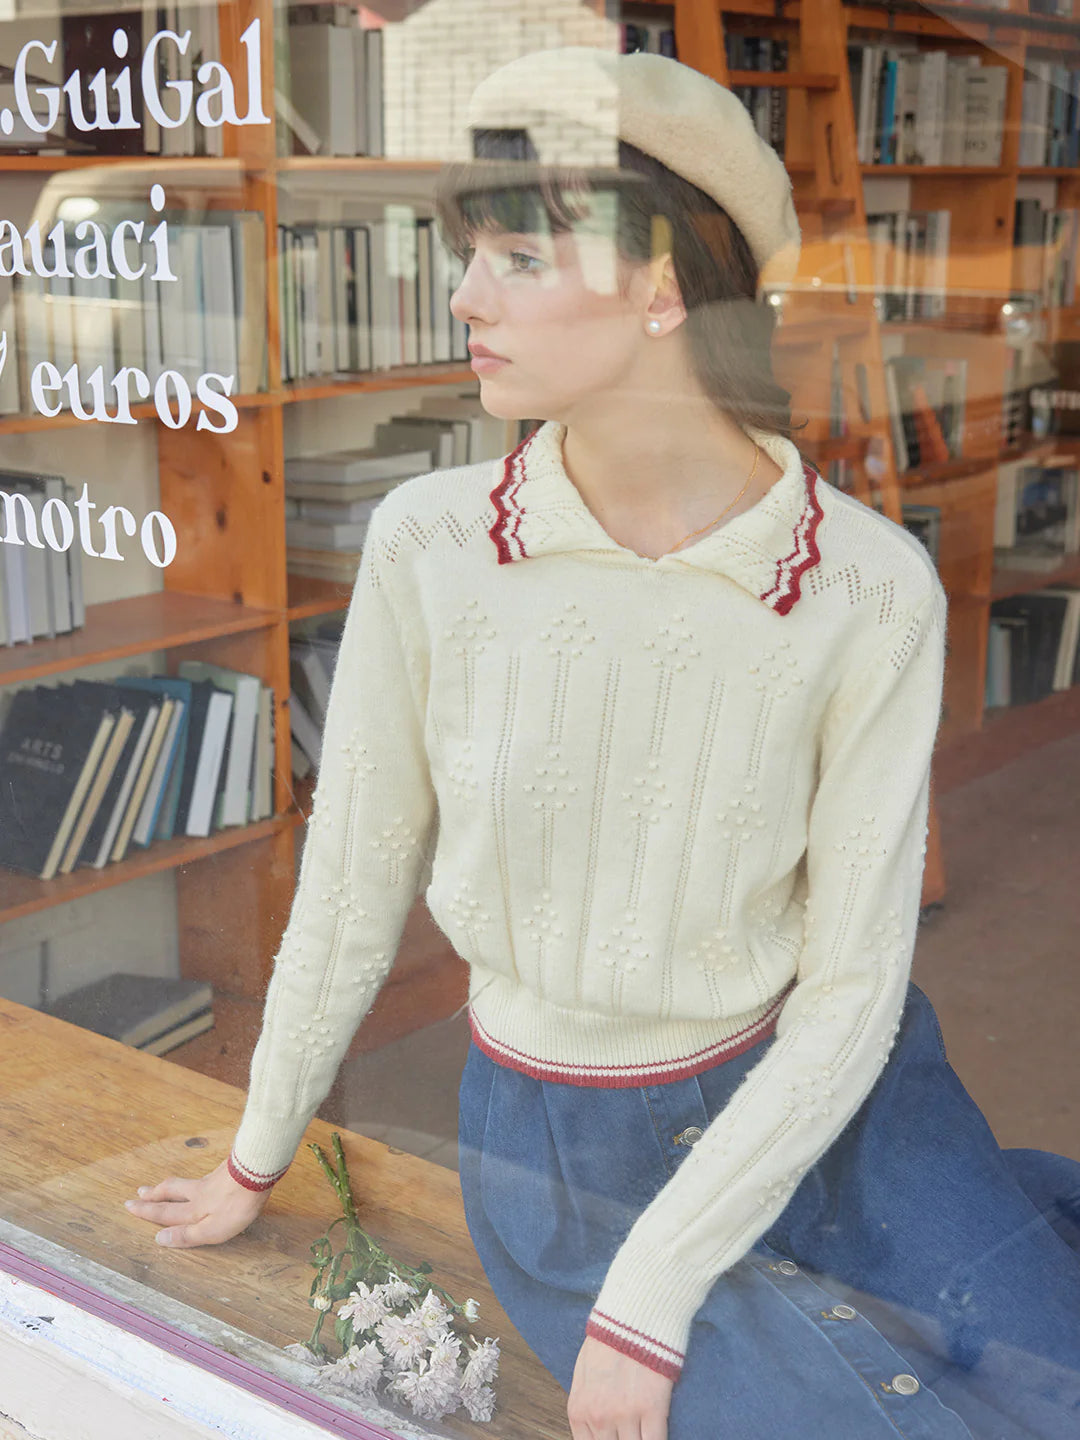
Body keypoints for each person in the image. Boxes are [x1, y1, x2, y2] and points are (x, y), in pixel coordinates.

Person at [124, 47, 1080, 1440]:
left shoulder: (869, 587)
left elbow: (854, 985)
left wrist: (657, 1294)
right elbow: (349, 884)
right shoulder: (431, 546)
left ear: (662, 290)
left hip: (838, 1106)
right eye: (469, 256)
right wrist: (254, 1158)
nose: (465, 298)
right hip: (569, 1153)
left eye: (518, 258)